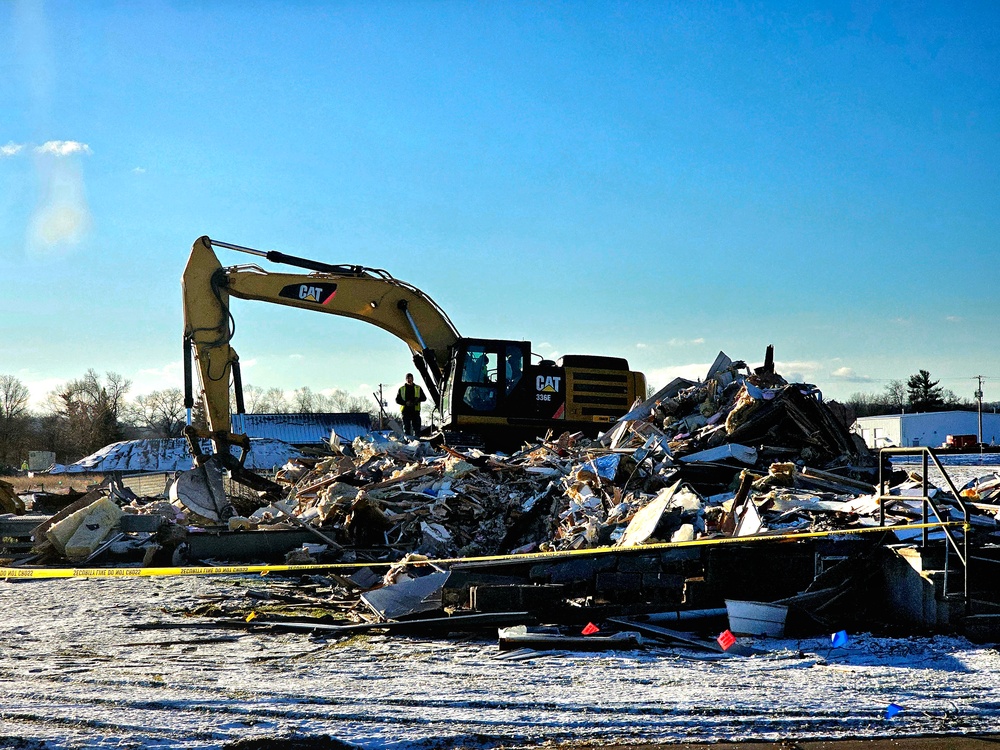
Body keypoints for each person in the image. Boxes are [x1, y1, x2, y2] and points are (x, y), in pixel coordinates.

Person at [395, 373, 427, 437]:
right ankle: (408, 443)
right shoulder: (402, 389)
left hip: (415, 411)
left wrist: (417, 400)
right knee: (407, 428)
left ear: (413, 379)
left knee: (417, 428)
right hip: (405, 411)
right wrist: (405, 403)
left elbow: (424, 398)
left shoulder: (418, 388)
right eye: (408, 378)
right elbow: (397, 400)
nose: (409, 380)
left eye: (410, 378)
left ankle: (417, 441)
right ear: (406, 379)